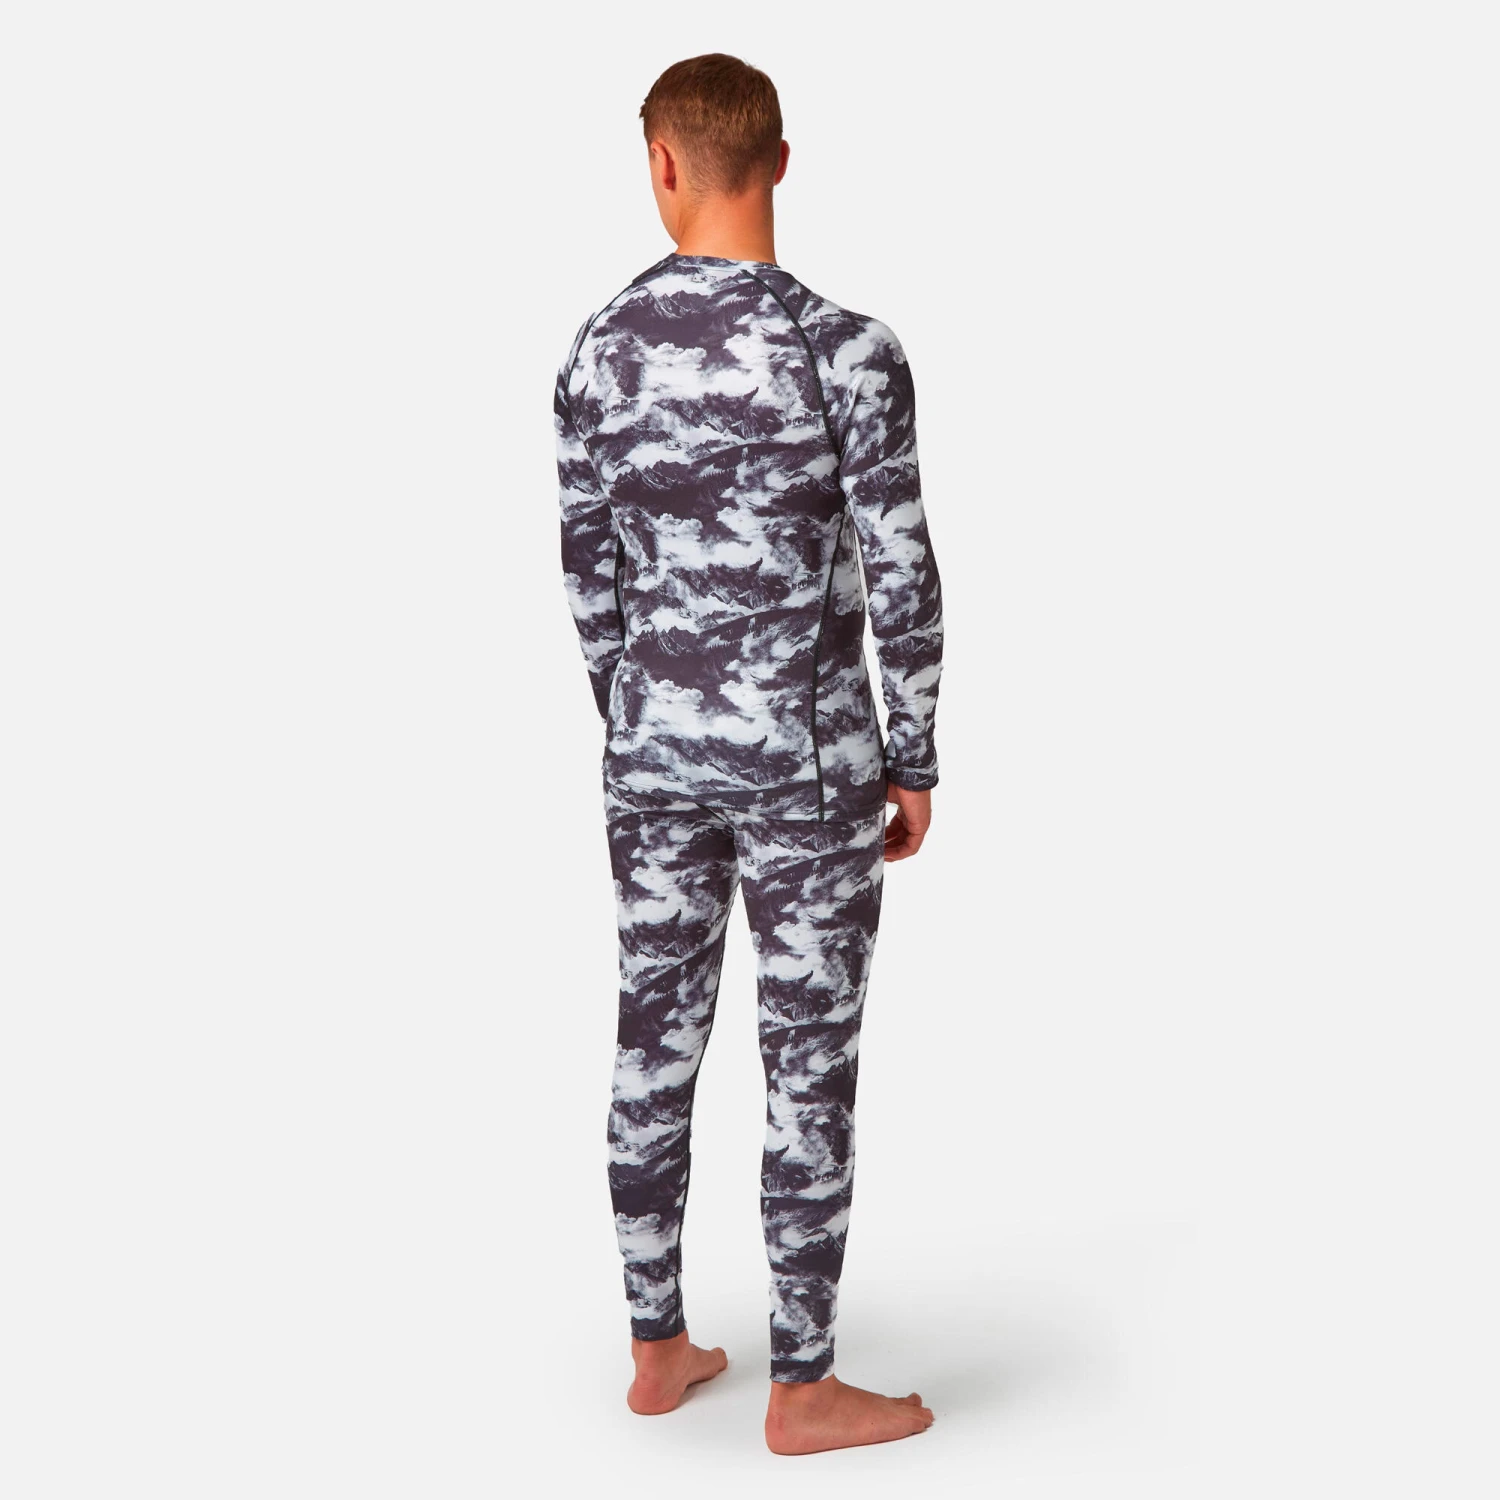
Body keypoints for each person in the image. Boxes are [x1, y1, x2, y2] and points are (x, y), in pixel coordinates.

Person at [554, 54, 943, 1456]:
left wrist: (643, 720)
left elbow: (590, 580)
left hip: (654, 757)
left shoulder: (597, 351)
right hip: (811, 768)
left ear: (662, 165)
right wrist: (915, 756)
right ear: (779, 161)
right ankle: (804, 1385)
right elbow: (903, 573)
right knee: (806, 1061)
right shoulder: (849, 353)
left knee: (651, 1040)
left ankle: (656, 1348)